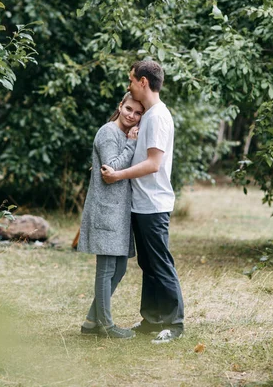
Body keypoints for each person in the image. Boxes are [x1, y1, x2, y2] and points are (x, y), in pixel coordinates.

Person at [101, 60, 184, 344]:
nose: (129, 85)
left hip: (154, 204)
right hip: (141, 203)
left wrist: (118, 175)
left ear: (143, 82)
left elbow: (153, 164)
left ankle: (174, 323)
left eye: (131, 80)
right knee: (148, 265)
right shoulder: (148, 115)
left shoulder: (159, 116)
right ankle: (151, 320)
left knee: (160, 265)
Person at [78, 92, 144, 339]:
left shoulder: (124, 134)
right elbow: (111, 168)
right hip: (106, 210)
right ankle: (105, 325)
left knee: (119, 269)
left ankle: (90, 322)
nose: (132, 116)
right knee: (106, 270)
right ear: (120, 106)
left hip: (119, 212)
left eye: (138, 113)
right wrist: (132, 144)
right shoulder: (108, 132)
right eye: (128, 109)